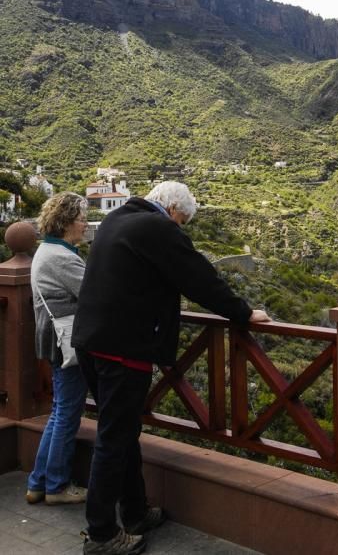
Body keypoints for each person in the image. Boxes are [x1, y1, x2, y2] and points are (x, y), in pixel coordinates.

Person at [72, 181, 271, 555]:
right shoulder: (157, 227)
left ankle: (135, 512)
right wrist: (244, 313)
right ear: (174, 210)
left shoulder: (117, 218)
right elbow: (200, 279)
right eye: (182, 222)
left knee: (121, 432)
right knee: (114, 439)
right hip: (122, 347)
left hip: (90, 342)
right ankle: (100, 534)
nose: (181, 228)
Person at [26, 192, 89, 505]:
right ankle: (57, 486)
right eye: (80, 218)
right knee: (67, 413)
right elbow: (94, 292)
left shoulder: (46, 251)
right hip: (66, 342)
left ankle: (39, 482)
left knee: (59, 411)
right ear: (66, 222)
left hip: (52, 338)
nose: (85, 223)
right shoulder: (61, 258)